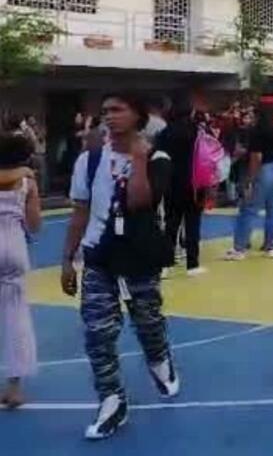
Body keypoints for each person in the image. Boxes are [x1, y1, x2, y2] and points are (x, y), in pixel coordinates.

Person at [62, 93, 179, 440]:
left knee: (147, 320)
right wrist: (68, 258)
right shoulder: (90, 159)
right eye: (105, 111)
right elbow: (80, 210)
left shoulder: (158, 158)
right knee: (98, 332)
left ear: (138, 115)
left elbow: (140, 201)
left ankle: (159, 357)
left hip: (139, 256)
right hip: (99, 255)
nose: (109, 117)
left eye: (118, 110)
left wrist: (138, 159)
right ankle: (112, 400)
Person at [0, 133, 40, 409]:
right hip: (13, 245)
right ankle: (14, 387)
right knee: (16, 317)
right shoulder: (27, 180)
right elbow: (35, 224)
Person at [224, 107, 273, 261]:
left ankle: (239, 248)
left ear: (259, 118)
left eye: (253, 116)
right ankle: (271, 246)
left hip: (263, 171)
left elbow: (256, 158)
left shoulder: (256, 134)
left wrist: (249, 181)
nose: (251, 119)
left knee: (248, 209)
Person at [153, 95, 205, 277]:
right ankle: (193, 264)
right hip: (195, 182)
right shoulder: (198, 132)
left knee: (170, 223)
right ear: (190, 111)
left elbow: (157, 156)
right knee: (193, 223)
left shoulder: (165, 133)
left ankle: (165, 264)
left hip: (172, 182)